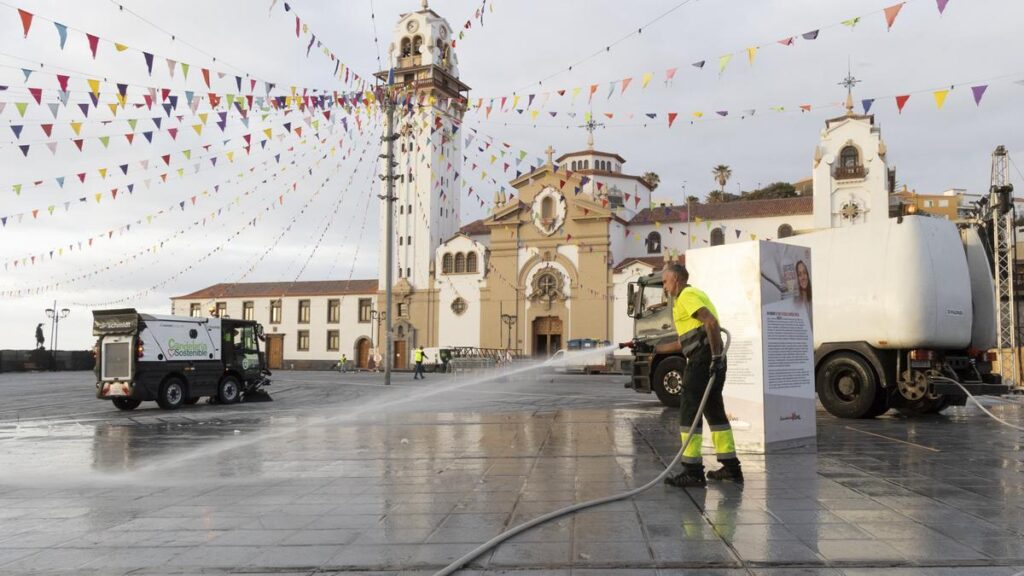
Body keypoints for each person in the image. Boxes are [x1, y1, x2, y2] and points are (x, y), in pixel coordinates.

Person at [655, 263, 742, 487]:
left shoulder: (687, 295)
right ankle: (731, 468)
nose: (664, 286)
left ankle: (692, 471)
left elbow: (710, 322)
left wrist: (713, 358)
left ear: (676, 279)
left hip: (703, 361)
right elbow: (686, 341)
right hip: (709, 359)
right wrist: (657, 349)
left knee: (689, 411)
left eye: (665, 281)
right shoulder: (693, 296)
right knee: (715, 412)